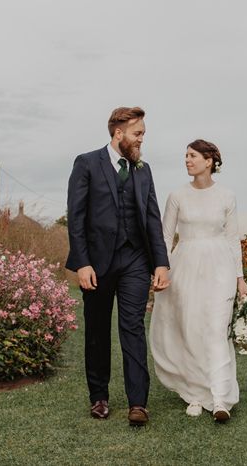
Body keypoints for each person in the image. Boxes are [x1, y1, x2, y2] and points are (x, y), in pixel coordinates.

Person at [66, 106, 171, 426]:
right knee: (97, 331)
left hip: (135, 261)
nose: (141, 140)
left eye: (143, 134)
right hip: (97, 263)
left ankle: (138, 402)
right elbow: (76, 217)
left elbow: (153, 219)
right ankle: (99, 397)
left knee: (132, 328)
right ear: (118, 133)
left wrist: (161, 263)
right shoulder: (87, 163)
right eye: (137, 134)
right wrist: (82, 263)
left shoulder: (144, 170)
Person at [149, 139, 247, 423]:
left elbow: (233, 239)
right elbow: (166, 238)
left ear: (209, 161)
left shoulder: (227, 196)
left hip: (220, 267)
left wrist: (239, 278)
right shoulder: (177, 196)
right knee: (191, 329)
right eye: (185, 156)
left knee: (217, 329)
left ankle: (220, 398)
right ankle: (195, 393)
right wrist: (161, 270)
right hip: (185, 268)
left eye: (192, 155)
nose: (187, 160)